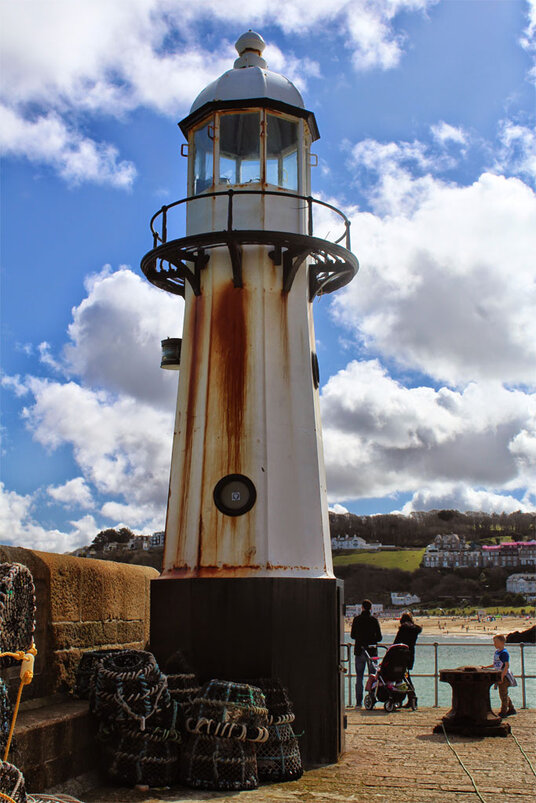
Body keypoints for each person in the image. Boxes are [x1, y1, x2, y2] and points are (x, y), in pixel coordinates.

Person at [351, 599, 382, 709]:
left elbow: (352, 636)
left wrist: (361, 638)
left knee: (359, 677)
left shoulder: (357, 620)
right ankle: (371, 698)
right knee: (372, 676)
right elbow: (379, 637)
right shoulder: (373, 620)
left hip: (359, 650)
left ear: (362, 608)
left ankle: (358, 702)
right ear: (371, 608)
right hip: (372, 651)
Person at [482, 634, 517, 717]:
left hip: (504, 675)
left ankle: (503, 711)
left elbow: (506, 665)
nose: (494, 644)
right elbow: (496, 664)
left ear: (502, 642)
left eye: (496, 642)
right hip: (498, 674)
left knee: (503, 694)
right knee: (503, 693)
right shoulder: (497, 652)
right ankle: (511, 708)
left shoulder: (504, 653)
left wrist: (502, 676)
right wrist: (486, 667)